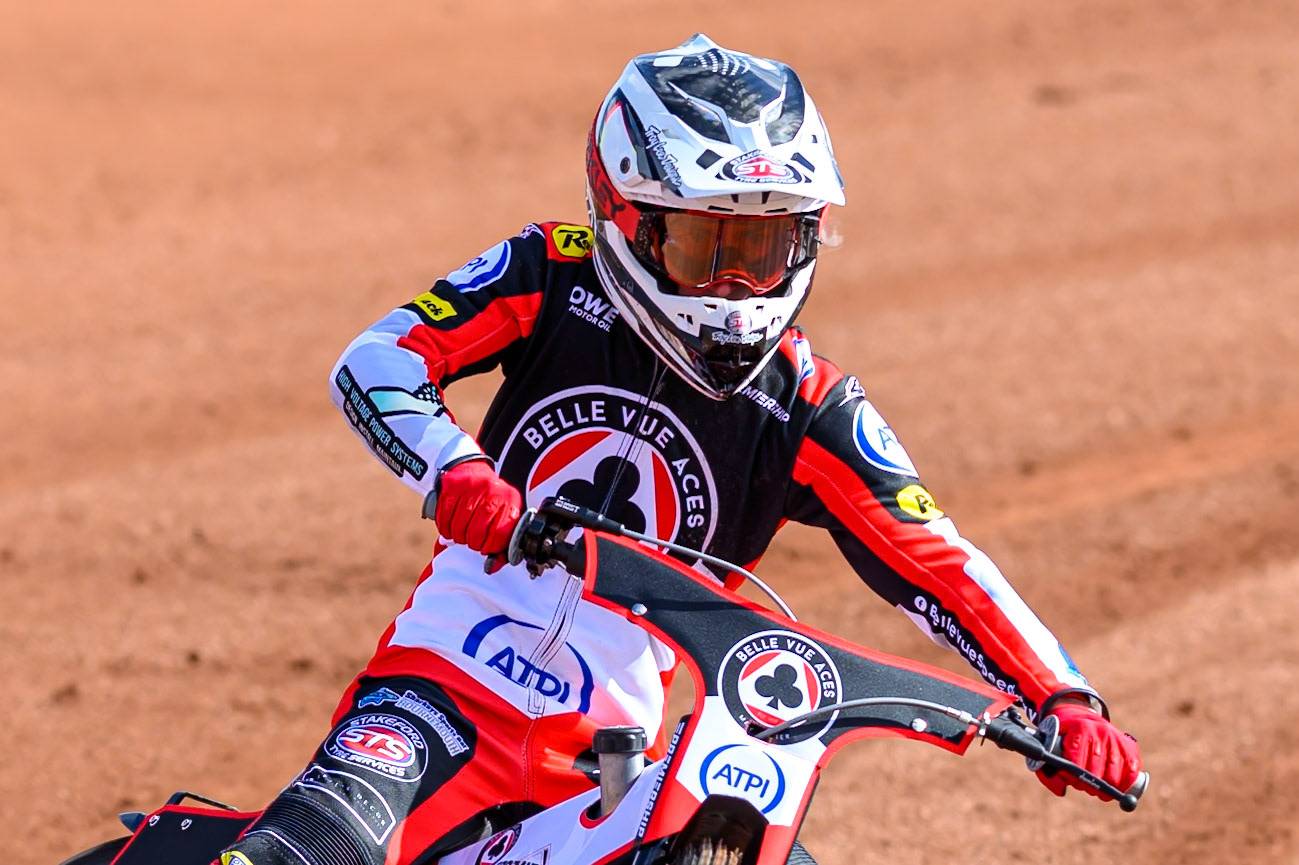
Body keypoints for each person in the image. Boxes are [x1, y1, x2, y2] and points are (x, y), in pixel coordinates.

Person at [218, 34, 1142, 865]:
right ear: (626, 215)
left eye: (765, 248)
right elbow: (379, 359)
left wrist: (1061, 697)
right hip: (441, 690)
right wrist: (455, 471)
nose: (735, 287)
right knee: (309, 846)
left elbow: (935, 557)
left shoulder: (804, 405)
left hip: (614, 755)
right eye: (705, 247)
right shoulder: (551, 272)